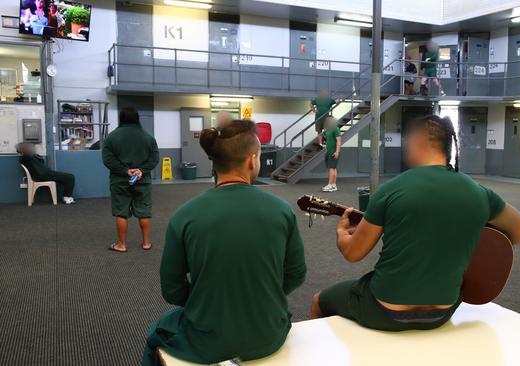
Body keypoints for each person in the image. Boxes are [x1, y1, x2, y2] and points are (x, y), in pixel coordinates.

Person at [310, 114, 520, 331]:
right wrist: (472, 236)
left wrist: (342, 235)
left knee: (318, 300)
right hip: (443, 312)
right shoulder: (480, 193)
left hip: (383, 308)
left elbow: (353, 254)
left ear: (419, 142)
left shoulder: (390, 190)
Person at [142, 120, 306, 366]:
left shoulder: (184, 215)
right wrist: (261, 296)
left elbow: (172, 289)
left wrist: (207, 302)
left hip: (207, 340)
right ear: (252, 160)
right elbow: (296, 274)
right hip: (268, 334)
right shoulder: (282, 210)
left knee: (156, 333)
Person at [102, 107, 159, 253]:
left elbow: (108, 160)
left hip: (120, 180)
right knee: (144, 211)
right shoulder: (148, 137)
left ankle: (122, 245)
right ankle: (146, 243)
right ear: (137, 118)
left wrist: (125, 171)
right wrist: (142, 170)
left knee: (121, 212)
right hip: (142, 180)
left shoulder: (111, 137)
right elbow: (154, 158)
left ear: (121, 118)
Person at [322, 116, 341, 192]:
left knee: (331, 168)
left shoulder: (336, 129)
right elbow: (327, 141)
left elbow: (339, 141)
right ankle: (333, 185)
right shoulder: (328, 130)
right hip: (328, 151)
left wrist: (337, 152)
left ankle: (329, 185)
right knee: (333, 168)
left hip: (333, 152)